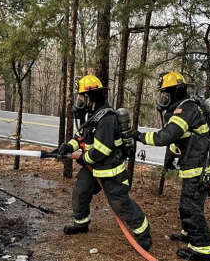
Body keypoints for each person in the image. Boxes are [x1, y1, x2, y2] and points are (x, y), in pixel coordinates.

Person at [57, 74, 152, 250]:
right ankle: (81, 224)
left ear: (91, 97)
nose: (79, 101)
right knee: (80, 192)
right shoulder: (92, 115)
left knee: (120, 204)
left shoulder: (107, 119)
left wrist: (83, 158)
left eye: (82, 97)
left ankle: (143, 234)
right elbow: (81, 136)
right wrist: (68, 146)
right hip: (93, 168)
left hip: (110, 170)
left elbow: (102, 150)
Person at [135, 70, 210, 261]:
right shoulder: (184, 108)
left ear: (176, 92)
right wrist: (171, 157)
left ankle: (202, 249)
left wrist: (139, 136)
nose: (163, 98)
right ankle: (188, 234)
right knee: (189, 203)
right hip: (197, 163)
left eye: (166, 93)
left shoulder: (185, 109)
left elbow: (165, 136)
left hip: (201, 166)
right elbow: (181, 138)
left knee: (190, 206)